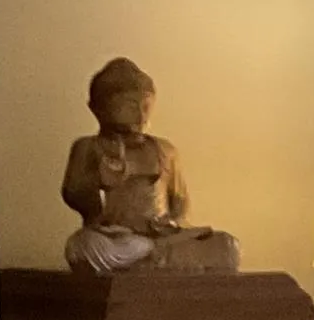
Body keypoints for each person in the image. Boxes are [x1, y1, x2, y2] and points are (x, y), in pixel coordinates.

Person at [59, 58, 239, 274]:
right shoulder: (88, 147)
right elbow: (76, 198)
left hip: (160, 237)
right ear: (98, 109)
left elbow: (180, 206)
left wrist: (169, 226)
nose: (140, 115)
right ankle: (152, 257)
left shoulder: (166, 150)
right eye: (129, 107)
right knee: (82, 247)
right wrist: (99, 181)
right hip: (115, 238)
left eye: (145, 106)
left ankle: (153, 256)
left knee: (227, 245)